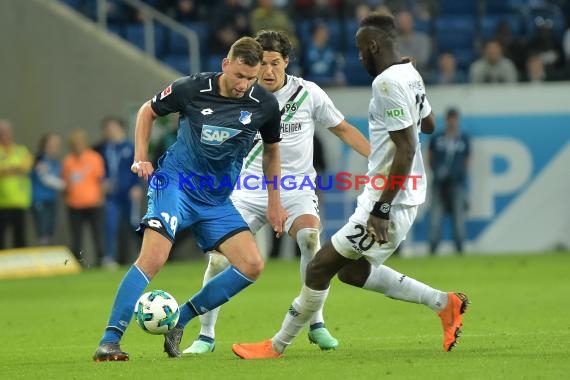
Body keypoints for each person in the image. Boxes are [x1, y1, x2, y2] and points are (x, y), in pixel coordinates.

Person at [231, 13, 469, 359]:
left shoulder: (386, 83)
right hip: (401, 191)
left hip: (389, 198)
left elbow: (407, 148)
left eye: (360, 50)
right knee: (353, 272)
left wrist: (381, 209)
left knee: (319, 267)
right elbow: (429, 125)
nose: (359, 57)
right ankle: (444, 304)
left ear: (373, 45)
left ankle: (277, 345)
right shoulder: (408, 72)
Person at [92, 36, 287, 361]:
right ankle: (109, 340)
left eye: (251, 78)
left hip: (215, 199)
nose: (244, 84)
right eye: (240, 75)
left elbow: (272, 151)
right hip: (176, 185)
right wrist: (141, 156)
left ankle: (179, 320)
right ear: (226, 64)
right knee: (153, 259)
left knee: (252, 265)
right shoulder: (192, 89)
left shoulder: (264, 104)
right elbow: (146, 111)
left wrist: (274, 201)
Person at [182, 30, 370, 355]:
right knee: (217, 260)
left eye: (275, 63)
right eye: (263, 64)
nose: (268, 72)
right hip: (248, 190)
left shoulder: (307, 93)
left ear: (286, 62)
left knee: (311, 239)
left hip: (297, 189)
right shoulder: (242, 94)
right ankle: (206, 336)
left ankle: (317, 323)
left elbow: (343, 129)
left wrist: (378, 160)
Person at [94, 117, 143, 268]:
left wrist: (138, 186)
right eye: (107, 129)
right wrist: (102, 183)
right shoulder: (104, 149)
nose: (110, 132)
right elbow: (98, 170)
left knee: (134, 224)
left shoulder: (131, 147)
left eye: (113, 128)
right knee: (110, 224)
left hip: (129, 193)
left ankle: (145, 256)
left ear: (121, 129)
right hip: (112, 195)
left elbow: (140, 167)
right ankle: (109, 257)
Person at [428, 108, 470, 254]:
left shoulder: (463, 139)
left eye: (454, 119)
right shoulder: (438, 138)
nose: (452, 122)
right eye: (450, 119)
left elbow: (467, 160)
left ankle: (459, 247)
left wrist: (461, 176)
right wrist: (436, 171)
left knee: (459, 217)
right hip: (439, 184)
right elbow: (430, 157)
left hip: (456, 183)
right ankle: (433, 247)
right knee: (435, 217)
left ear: (457, 120)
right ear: (446, 120)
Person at [61, 130, 106, 265]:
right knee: (76, 236)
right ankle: (77, 263)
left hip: (94, 203)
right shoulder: (67, 161)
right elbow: (65, 183)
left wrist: (101, 197)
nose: (77, 146)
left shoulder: (94, 158)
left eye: (79, 143)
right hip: (74, 204)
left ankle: (101, 259)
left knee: (98, 233)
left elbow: (101, 180)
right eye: (74, 144)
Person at [0, 119, 33, 249]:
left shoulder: (21, 150)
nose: (4, 135)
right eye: (2, 132)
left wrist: (6, 169)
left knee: (20, 236)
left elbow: (26, 167)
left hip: (19, 201)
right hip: (2, 202)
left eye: (6, 132)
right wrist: (15, 168)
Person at [30, 133, 66, 246]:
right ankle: (43, 253)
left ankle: (49, 253)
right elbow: (45, 178)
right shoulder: (39, 159)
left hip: (51, 199)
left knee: (50, 228)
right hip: (40, 199)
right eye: (53, 144)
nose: (56, 147)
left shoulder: (54, 162)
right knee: (42, 228)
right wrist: (66, 186)